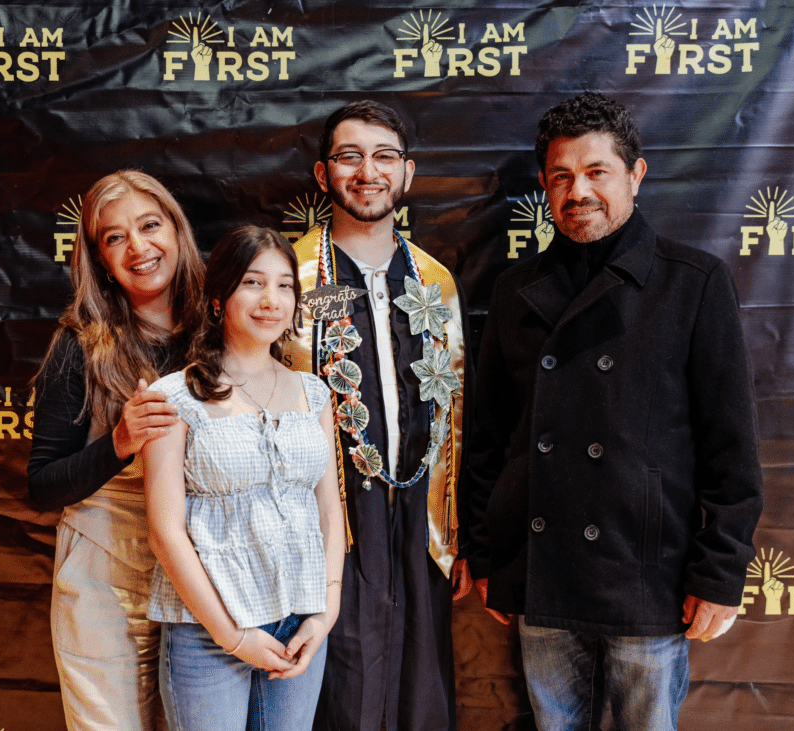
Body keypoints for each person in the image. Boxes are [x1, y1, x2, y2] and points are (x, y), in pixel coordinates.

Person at [467, 91, 764, 731]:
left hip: (647, 576)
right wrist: (489, 557)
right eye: (561, 177)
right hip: (544, 576)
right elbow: (488, 441)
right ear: (545, 188)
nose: (579, 191)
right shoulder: (516, 290)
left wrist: (720, 573)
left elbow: (732, 450)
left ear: (635, 175)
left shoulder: (694, 282)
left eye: (597, 171)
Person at [283, 100, 471, 731]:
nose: (368, 171)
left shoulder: (436, 283)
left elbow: (460, 414)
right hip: (327, 520)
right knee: (342, 688)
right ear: (321, 175)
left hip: (419, 515)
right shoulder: (287, 278)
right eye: (349, 156)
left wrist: (455, 531)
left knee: (420, 687)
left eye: (384, 156)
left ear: (407, 174)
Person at [143, 225, 344, 731]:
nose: (270, 300)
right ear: (218, 298)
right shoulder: (175, 396)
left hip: (299, 620)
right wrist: (232, 635)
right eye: (253, 283)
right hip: (206, 631)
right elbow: (164, 532)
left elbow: (329, 510)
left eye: (284, 286)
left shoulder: (314, 393)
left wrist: (326, 613)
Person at [28, 170, 204, 731]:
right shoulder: (79, 342)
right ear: (100, 259)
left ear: (176, 230)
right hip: (106, 579)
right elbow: (43, 485)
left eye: (150, 225)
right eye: (114, 237)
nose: (138, 247)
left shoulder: (223, 328)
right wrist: (119, 443)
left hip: (204, 576)